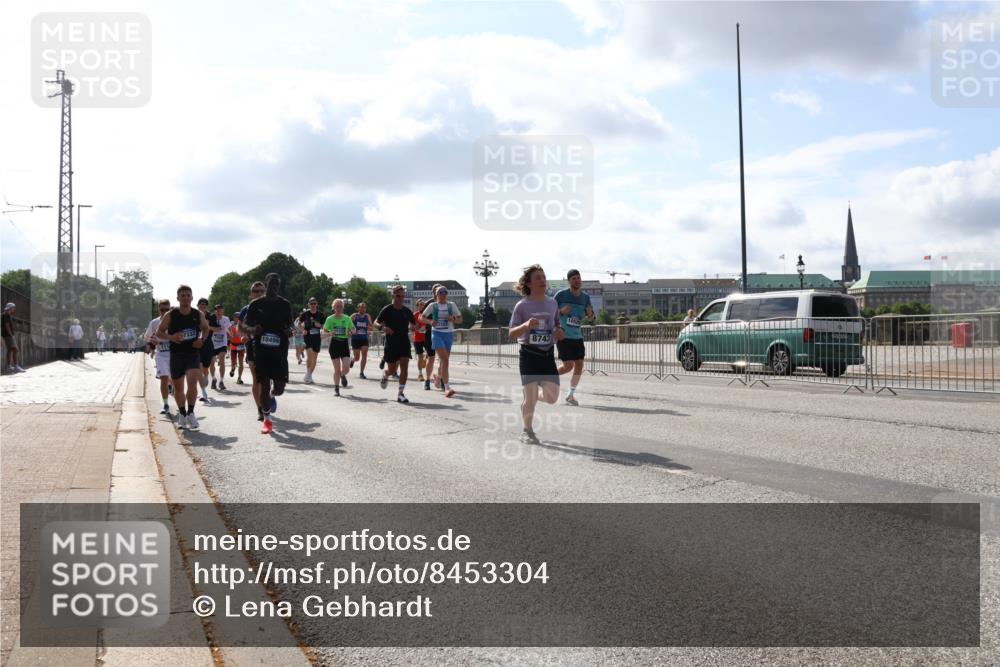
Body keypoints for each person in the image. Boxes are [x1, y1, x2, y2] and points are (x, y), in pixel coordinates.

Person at [509, 264, 565, 444]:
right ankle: (527, 430)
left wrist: (559, 331)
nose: (542, 280)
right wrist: (525, 326)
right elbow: (511, 333)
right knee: (530, 397)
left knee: (552, 397)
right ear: (530, 284)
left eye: (543, 277)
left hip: (547, 354)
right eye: (538, 278)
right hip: (529, 354)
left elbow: (557, 324)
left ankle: (531, 397)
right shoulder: (522, 306)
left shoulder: (552, 303)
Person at [243, 273, 294, 434]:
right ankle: (267, 419)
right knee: (263, 383)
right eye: (271, 284)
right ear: (267, 285)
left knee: (279, 388)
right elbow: (244, 327)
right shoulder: (255, 304)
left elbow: (290, 325)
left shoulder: (285, 304)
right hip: (261, 350)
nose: (273, 287)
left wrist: (289, 331)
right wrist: (253, 330)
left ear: (278, 286)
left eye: (276, 284)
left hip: (279, 351)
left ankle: (273, 395)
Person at [156, 284, 210, 430]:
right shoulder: (170, 315)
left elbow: (205, 329)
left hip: (192, 353)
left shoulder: (197, 314)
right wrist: (171, 337)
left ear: (192, 297)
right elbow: (159, 333)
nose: (185, 298)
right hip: (176, 355)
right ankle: (182, 413)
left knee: (192, 383)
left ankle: (191, 412)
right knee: (178, 389)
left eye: (188, 295)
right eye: (183, 295)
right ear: (178, 298)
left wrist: (202, 340)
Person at [554, 269, 595, 406]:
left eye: (578, 278)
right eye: (574, 279)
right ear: (569, 281)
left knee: (579, 364)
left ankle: (571, 395)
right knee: (568, 366)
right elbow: (549, 313)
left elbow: (591, 319)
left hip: (577, 337)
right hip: (563, 335)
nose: (577, 280)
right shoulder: (561, 295)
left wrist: (590, 315)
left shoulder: (585, 297)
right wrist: (560, 311)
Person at [419, 286, 462, 398]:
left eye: (445, 292)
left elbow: (460, 319)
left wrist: (453, 319)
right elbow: (421, 318)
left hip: (448, 334)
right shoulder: (433, 305)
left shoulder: (451, 305)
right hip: (437, 334)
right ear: (436, 295)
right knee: (445, 360)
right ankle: (447, 388)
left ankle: (438, 377)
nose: (443, 294)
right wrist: (430, 321)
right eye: (440, 292)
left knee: (444, 362)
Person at [375, 284, 414, 403]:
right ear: (393, 295)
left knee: (404, 366)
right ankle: (386, 375)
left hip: (404, 343)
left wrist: (416, 327)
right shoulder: (387, 309)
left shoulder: (407, 311)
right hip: (391, 343)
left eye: (403, 296)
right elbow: (375, 322)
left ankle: (400, 394)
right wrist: (383, 327)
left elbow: (414, 324)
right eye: (398, 296)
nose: (401, 298)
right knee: (391, 370)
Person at [238, 282, 266, 421]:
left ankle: (268, 395)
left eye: (261, 290)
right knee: (257, 378)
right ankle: (260, 409)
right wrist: (244, 335)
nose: (259, 293)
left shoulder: (273, 307)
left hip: (270, 346)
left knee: (270, 377)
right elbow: (240, 328)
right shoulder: (246, 309)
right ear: (251, 294)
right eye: (255, 291)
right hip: (252, 345)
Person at [145, 299, 174, 416]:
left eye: (167, 310)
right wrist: (152, 340)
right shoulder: (154, 323)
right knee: (163, 378)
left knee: (172, 379)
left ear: (170, 309)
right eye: (162, 310)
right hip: (161, 355)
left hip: (174, 355)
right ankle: (165, 404)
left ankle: (171, 386)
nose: (165, 312)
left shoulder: (175, 322)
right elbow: (146, 337)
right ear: (159, 309)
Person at [322, 298, 354, 396]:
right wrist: (330, 333)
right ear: (333, 308)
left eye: (340, 306)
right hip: (334, 344)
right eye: (337, 307)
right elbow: (323, 332)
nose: (339, 308)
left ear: (343, 308)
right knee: (337, 369)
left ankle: (343, 375)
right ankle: (336, 388)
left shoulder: (347, 318)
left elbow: (353, 329)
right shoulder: (330, 319)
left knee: (346, 368)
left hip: (344, 344)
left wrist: (351, 331)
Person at [297, 297, 325, 384]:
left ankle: (309, 375)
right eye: (311, 304)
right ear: (308, 305)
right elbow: (298, 323)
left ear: (317, 304)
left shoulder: (321, 315)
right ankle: (308, 375)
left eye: (314, 303)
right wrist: (302, 330)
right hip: (308, 337)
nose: (313, 305)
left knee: (315, 358)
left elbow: (324, 326)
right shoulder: (305, 314)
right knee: (310, 356)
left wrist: (319, 325)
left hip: (317, 338)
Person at [196, 298, 217, 401]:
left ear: (207, 306)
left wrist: (207, 327)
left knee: (205, 368)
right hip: (197, 345)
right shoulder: (194, 315)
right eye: (200, 304)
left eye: (204, 304)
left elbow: (218, 329)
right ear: (197, 305)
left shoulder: (211, 316)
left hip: (208, 344)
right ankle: (203, 392)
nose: (202, 306)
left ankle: (207, 375)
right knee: (198, 368)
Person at [211, 304, 231, 390]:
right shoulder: (211, 318)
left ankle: (221, 381)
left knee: (222, 360)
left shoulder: (226, 319)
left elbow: (229, 328)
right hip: (212, 343)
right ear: (214, 311)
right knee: (212, 363)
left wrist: (231, 334)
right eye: (217, 310)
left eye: (221, 310)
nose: (219, 312)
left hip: (222, 343)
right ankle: (213, 379)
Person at [350, 302, 372, 379]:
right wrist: (352, 331)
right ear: (358, 308)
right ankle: (352, 360)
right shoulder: (354, 316)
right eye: (361, 307)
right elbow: (347, 324)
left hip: (364, 338)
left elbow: (371, 326)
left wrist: (368, 328)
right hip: (355, 339)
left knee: (364, 355)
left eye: (364, 307)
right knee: (357, 358)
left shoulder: (367, 316)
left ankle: (361, 372)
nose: (363, 309)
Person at [412, 298, 429, 383]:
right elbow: (411, 327)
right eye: (420, 304)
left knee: (429, 354)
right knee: (420, 356)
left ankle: (425, 359)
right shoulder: (415, 315)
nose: (422, 305)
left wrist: (426, 327)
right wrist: (418, 328)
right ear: (417, 306)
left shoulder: (428, 314)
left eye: (423, 304)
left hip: (427, 338)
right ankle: (420, 374)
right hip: (417, 338)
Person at [2, 303, 24, 373]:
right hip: (8, 335)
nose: (14, 309)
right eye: (13, 308)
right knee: (16, 350)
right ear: (10, 308)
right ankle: (16, 366)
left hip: (6, 335)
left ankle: (9, 367)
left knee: (10, 350)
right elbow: (7, 326)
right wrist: (11, 335)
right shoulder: (6, 315)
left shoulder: (5, 315)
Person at [228, 315, 246, 385]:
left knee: (241, 363)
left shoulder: (243, 326)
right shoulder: (231, 325)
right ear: (234, 318)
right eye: (236, 317)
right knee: (233, 362)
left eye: (239, 317)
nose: (237, 319)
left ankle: (239, 378)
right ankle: (233, 369)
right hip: (233, 345)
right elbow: (229, 335)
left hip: (241, 345)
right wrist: (230, 336)